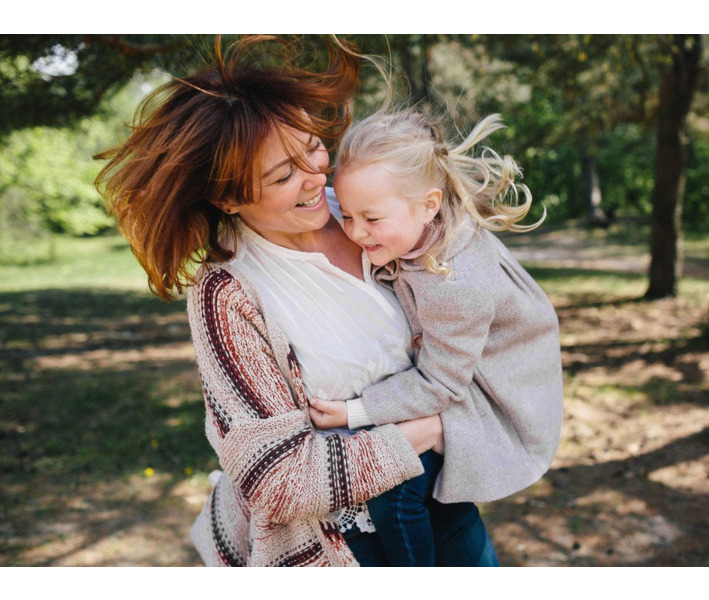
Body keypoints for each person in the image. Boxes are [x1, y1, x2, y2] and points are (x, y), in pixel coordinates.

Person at [95, 36, 497, 567]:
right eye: (283, 175)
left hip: (445, 498)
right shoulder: (227, 293)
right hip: (346, 540)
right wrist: (423, 432)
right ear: (228, 197)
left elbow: (488, 319)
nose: (315, 177)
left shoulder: (371, 207)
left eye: (313, 147)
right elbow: (276, 479)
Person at [309, 109, 563, 566]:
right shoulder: (411, 227)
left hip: (495, 394)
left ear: (429, 205)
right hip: (457, 377)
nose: (356, 231)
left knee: (395, 492)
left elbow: (440, 383)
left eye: (371, 218)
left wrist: (356, 410)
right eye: (346, 215)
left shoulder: (455, 280)